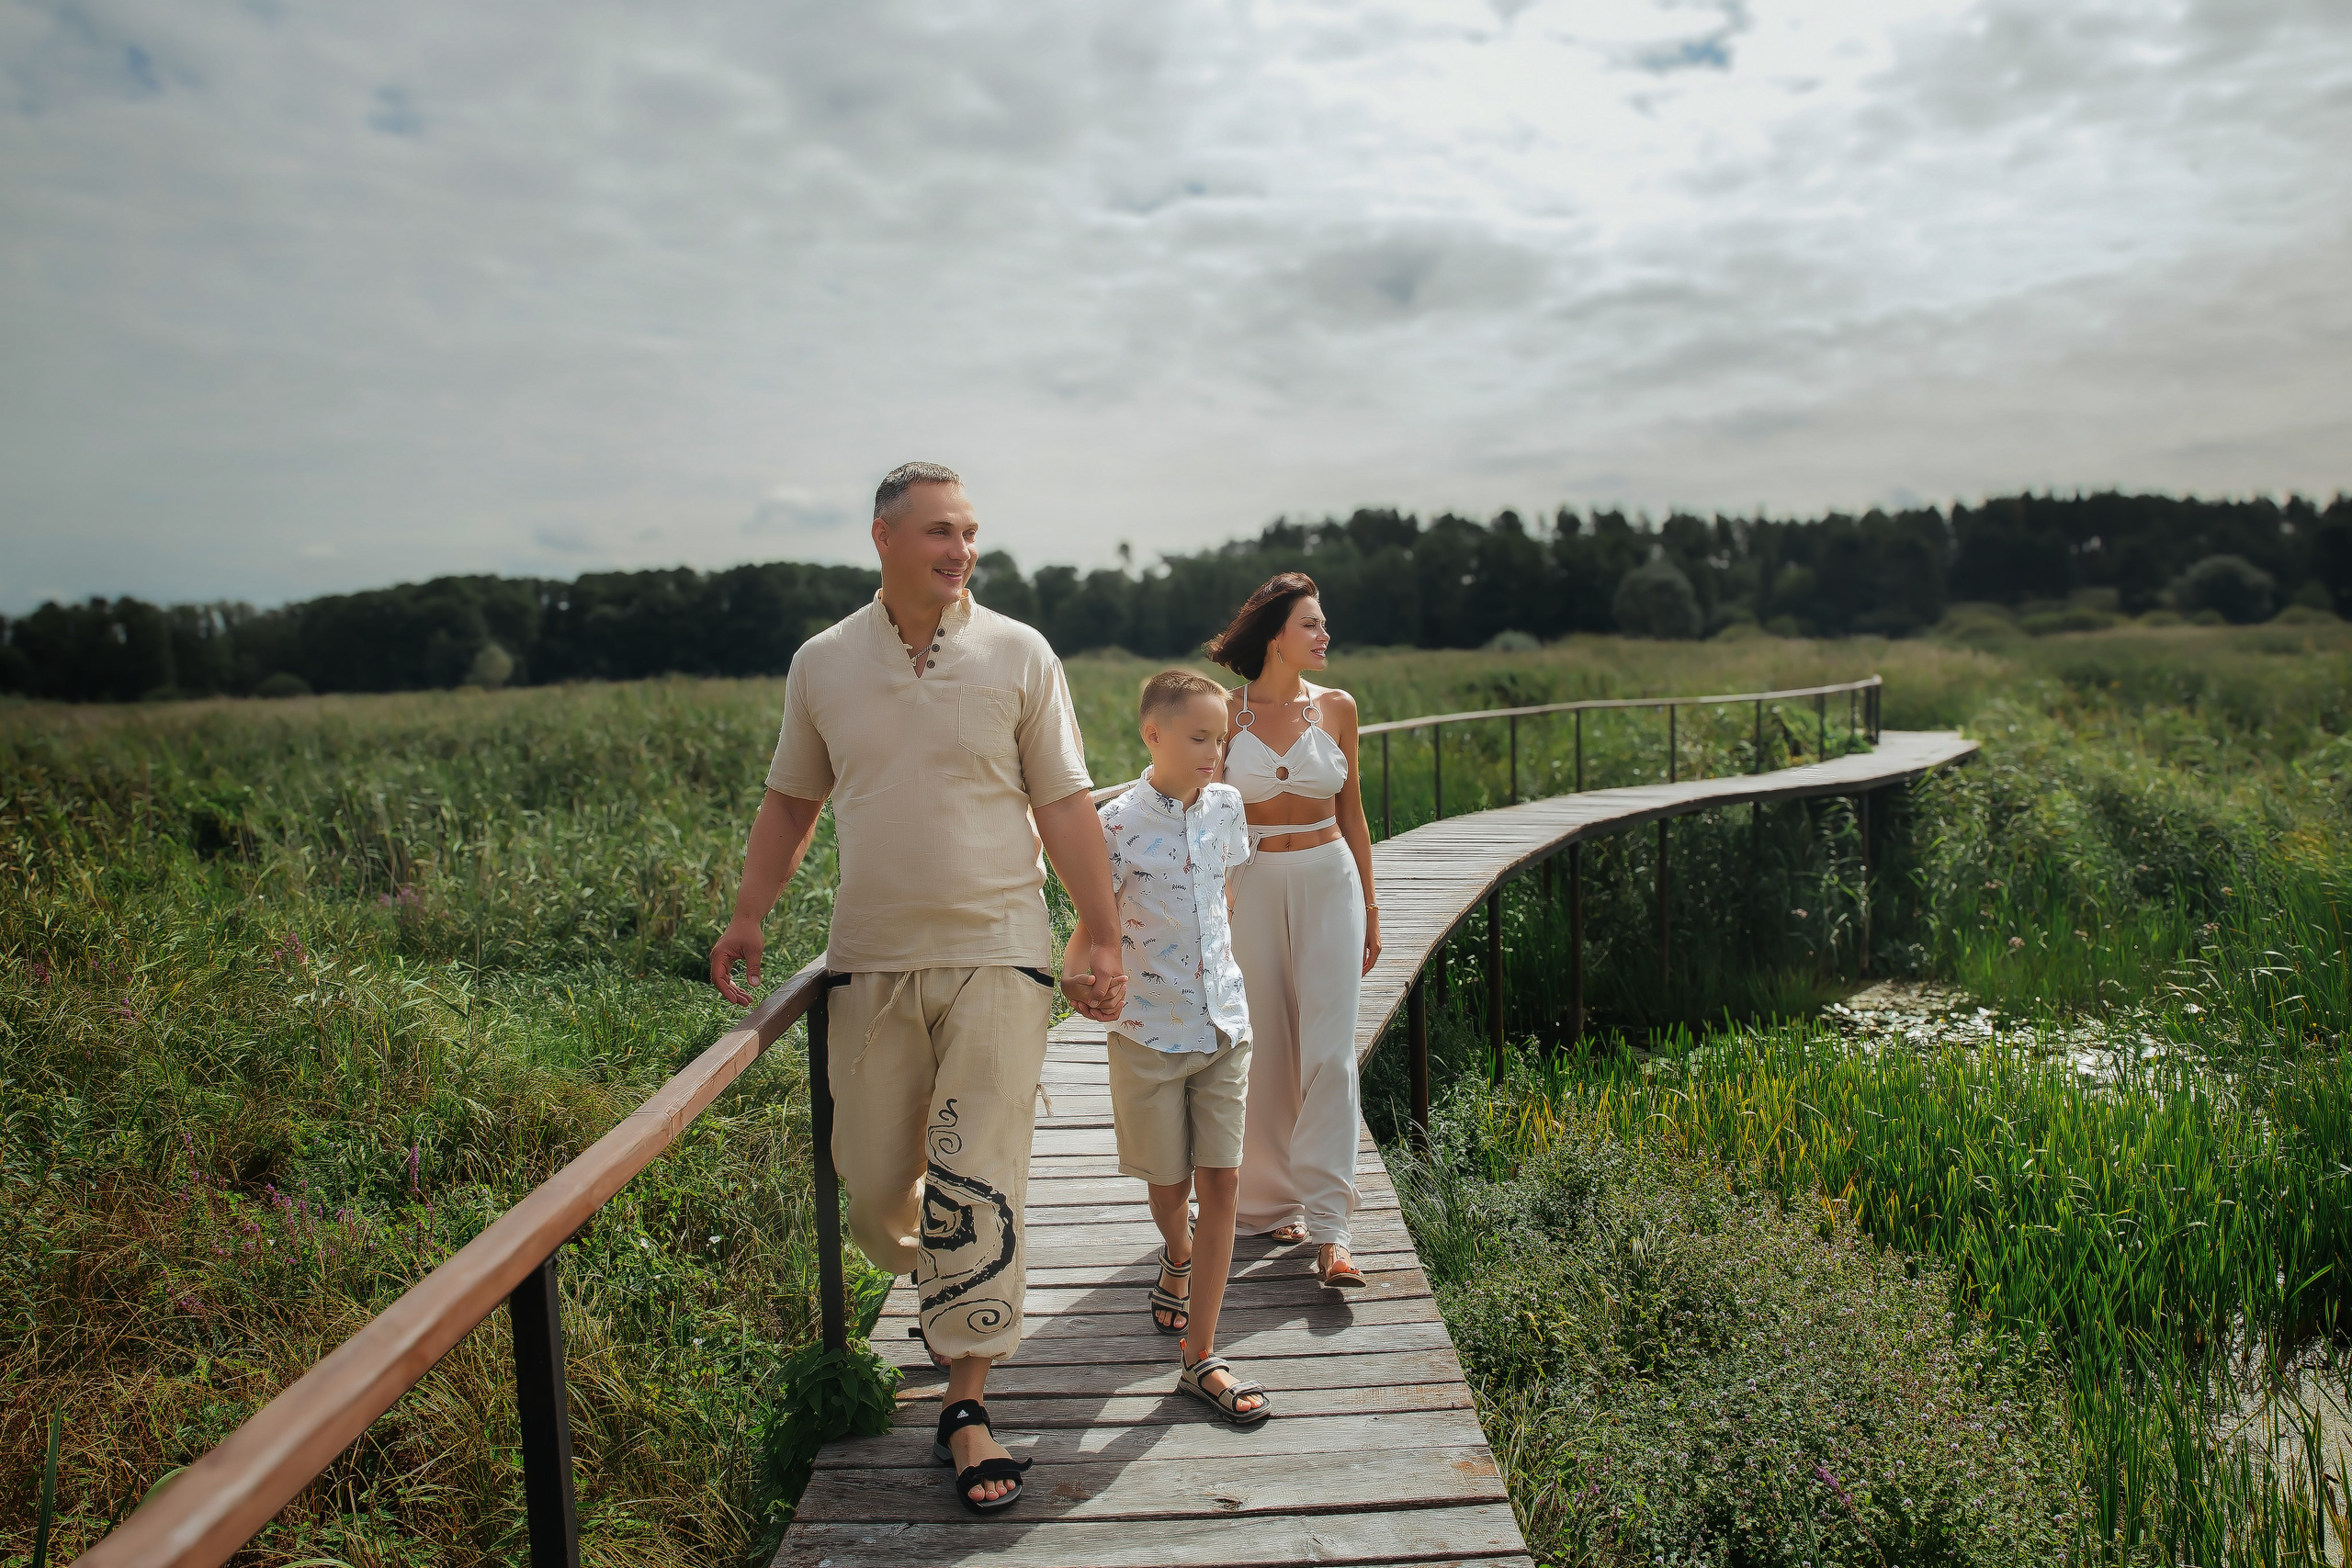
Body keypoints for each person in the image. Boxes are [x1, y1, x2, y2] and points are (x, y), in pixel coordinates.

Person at [707, 461, 1126, 1515]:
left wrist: (1099, 928)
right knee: (875, 1181)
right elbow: (790, 801)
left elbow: (1067, 801)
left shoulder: (1020, 652)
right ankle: (942, 1281)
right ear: (885, 537)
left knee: (976, 1173)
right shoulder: (822, 663)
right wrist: (751, 912)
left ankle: (966, 1398)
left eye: (971, 532)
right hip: (874, 957)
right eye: (941, 530)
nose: (962, 549)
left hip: (999, 947)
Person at [1060, 670, 1272, 1425]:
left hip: (1224, 1025)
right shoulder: (1112, 823)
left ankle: (1201, 1357)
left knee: (1222, 1186)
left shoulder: (1228, 807)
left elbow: (1227, 894)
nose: (1215, 751)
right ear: (1153, 735)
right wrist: (1073, 973)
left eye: (1221, 737)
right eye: (1198, 737)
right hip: (1148, 1032)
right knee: (1167, 1184)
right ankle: (1175, 1256)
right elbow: (1093, 922)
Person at [1207, 573, 1382, 1290]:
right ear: (1276, 633)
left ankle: (1332, 1229)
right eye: (1311, 624)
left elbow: (1354, 814)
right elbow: (1207, 819)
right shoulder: (1223, 712)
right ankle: (1273, 1201)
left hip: (1327, 878)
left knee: (1330, 1051)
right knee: (1267, 1044)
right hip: (1250, 887)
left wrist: (1371, 905)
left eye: (1323, 623)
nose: (1323, 635)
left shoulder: (1337, 708)